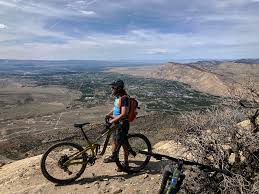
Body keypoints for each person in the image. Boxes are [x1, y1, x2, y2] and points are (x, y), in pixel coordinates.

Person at [103, 79, 129, 167]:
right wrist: (108, 114)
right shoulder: (118, 97)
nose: (112, 88)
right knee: (114, 140)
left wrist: (111, 121)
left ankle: (126, 163)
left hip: (122, 124)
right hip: (116, 123)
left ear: (119, 88)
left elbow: (124, 113)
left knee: (123, 143)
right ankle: (114, 156)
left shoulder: (124, 98)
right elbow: (115, 109)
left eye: (113, 87)